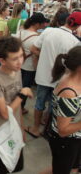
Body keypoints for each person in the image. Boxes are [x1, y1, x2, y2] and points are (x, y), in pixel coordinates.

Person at [26, 12, 81, 138]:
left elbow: (33, 48)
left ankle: (35, 128)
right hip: (60, 80)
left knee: (39, 103)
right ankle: (48, 129)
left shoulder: (48, 31)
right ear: (77, 26)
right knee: (53, 106)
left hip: (42, 75)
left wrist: (44, 55)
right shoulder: (74, 42)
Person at [0, 36, 33, 174]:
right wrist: (22, 94)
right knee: (3, 168)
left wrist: (21, 128)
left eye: (21, 56)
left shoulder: (17, 71)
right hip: (0, 131)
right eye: (15, 58)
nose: (20, 61)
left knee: (16, 166)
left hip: (14, 128)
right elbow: (4, 113)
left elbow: (17, 107)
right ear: (2, 61)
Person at [40, 46, 81, 174]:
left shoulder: (75, 78)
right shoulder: (69, 92)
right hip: (66, 142)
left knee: (73, 168)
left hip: (76, 138)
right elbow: (63, 130)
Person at [20, 13, 46, 114]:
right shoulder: (37, 38)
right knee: (25, 88)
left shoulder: (21, 32)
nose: (44, 24)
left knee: (17, 87)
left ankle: (15, 106)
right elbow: (35, 56)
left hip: (18, 64)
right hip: (29, 67)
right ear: (36, 24)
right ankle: (20, 108)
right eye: (42, 23)